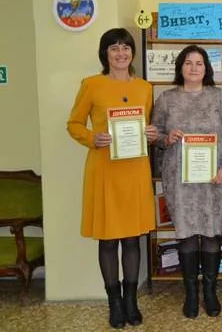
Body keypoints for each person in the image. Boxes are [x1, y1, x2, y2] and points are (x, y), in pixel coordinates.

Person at [67, 28, 158, 329]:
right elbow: (74, 124)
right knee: (108, 239)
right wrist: (92, 138)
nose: (121, 53)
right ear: (105, 53)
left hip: (135, 170)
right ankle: (114, 303)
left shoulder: (145, 87)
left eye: (125, 47)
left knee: (132, 238)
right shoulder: (92, 85)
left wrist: (151, 134)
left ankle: (131, 301)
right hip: (105, 170)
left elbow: (146, 125)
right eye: (114, 48)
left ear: (132, 52)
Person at [151, 45, 222, 319]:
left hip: (213, 179)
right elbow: (155, 136)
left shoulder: (219, 98)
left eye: (199, 63)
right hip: (180, 180)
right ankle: (190, 292)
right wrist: (166, 139)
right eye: (188, 62)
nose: (193, 68)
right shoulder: (166, 99)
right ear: (180, 67)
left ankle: (210, 291)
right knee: (186, 235)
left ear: (206, 68)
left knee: (211, 235)